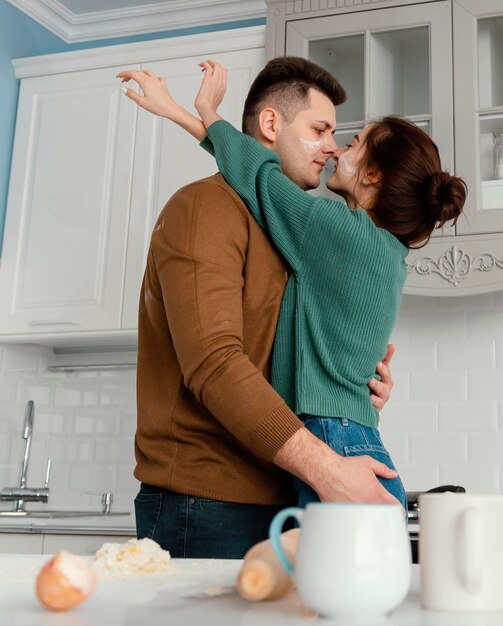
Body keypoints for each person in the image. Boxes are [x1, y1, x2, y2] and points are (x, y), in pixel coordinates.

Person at [119, 58, 467, 514]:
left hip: (319, 454)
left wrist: (199, 112)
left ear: (374, 174)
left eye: (348, 140)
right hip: (223, 489)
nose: (334, 148)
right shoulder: (217, 210)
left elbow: (258, 177)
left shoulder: (327, 231)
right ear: (270, 123)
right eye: (321, 130)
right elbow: (217, 362)